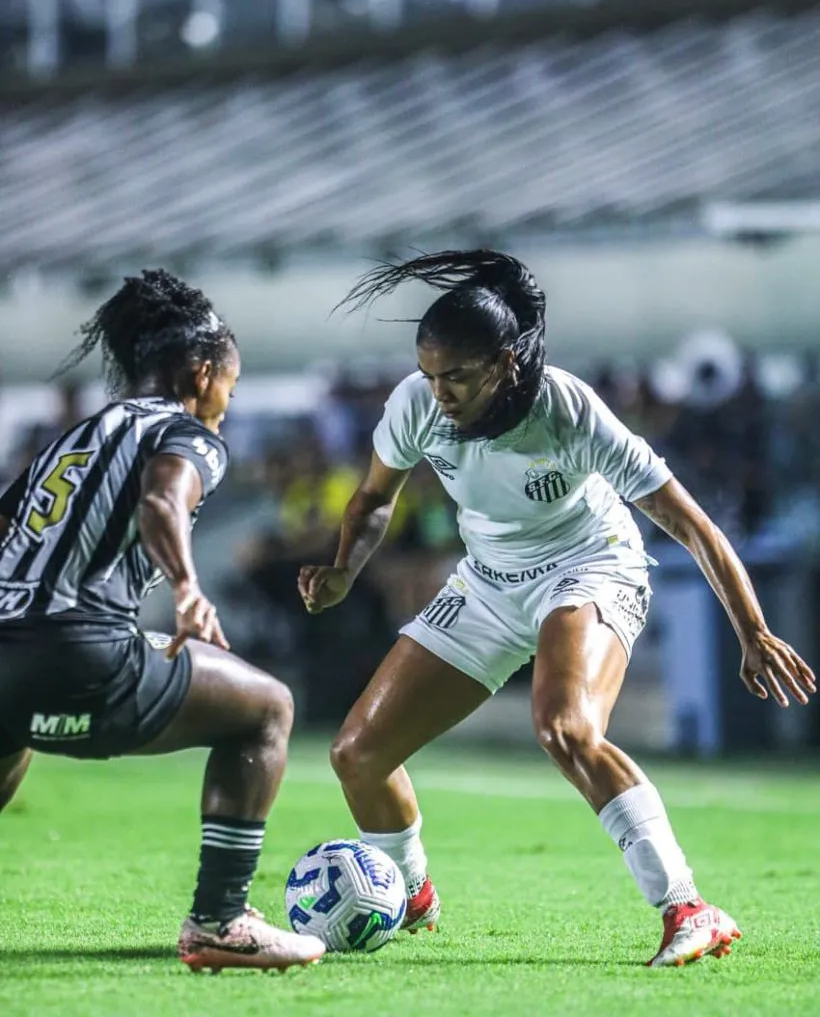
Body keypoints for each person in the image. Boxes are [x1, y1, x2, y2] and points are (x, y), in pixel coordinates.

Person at [298, 249, 816, 968]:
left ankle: (689, 907)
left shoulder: (566, 410)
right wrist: (344, 570)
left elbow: (692, 523)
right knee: (357, 754)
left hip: (590, 566)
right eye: (429, 374)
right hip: (487, 580)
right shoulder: (417, 406)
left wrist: (753, 630)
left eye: (457, 376)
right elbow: (374, 498)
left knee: (566, 729)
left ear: (505, 363)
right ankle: (412, 893)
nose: (438, 392)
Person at [0, 270, 325, 974]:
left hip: (6, 653)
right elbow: (160, 504)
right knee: (267, 708)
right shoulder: (187, 433)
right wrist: (186, 588)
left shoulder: (71, 439)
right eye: (229, 393)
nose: (225, 409)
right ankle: (220, 920)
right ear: (203, 374)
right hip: (82, 653)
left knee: (9, 729)